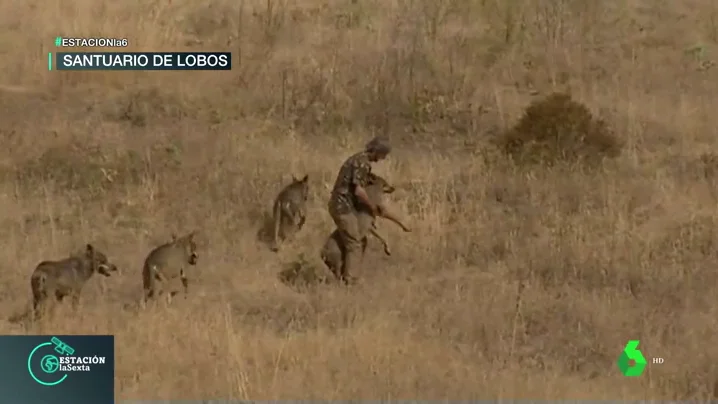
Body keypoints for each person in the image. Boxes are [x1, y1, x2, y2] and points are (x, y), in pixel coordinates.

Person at [328, 136, 391, 285]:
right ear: (376, 151)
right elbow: (359, 191)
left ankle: (330, 258)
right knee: (355, 243)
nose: (382, 159)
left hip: (340, 204)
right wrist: (371, 206)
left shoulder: (356, 159)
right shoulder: (362, 163)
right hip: (343, 206)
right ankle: (351, 281)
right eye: (383, 155)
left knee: (347, 237)